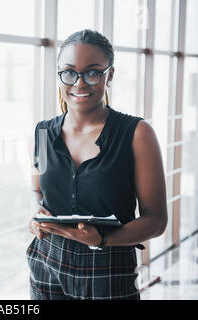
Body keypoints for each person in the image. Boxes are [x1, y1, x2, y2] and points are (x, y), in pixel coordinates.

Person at [26, 29, 167, 300]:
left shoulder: (137, 133)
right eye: (69, 72)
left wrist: (102, 240)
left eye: (92, 73)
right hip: (45, 261)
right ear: (59, 74)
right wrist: (36, 214)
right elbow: (37, 191)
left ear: (109, 75)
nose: (79, 84)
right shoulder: (43, 133)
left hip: (107, 268)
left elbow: (157, 220)